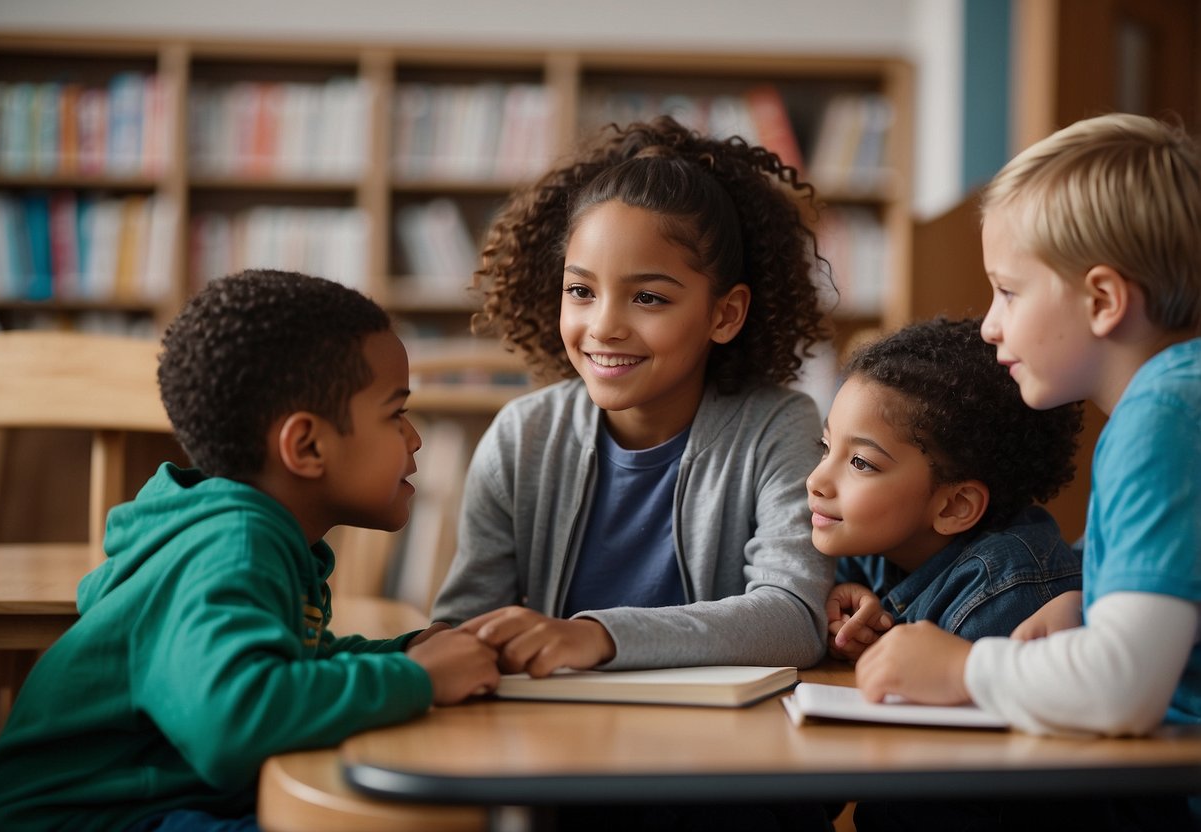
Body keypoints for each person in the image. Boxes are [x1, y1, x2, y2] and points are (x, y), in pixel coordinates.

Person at [0, 269, 500, 832]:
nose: (416, 437)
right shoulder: (231, 544)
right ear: (306, 445)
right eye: (395, 413)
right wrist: (418, 680)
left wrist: (406, 654)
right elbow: (235, 721)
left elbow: (287, 668)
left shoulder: (256, 535)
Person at [855, 113, 1201, 829]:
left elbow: (1121, 691)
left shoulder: (1162, 415)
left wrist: (957, 670)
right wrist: (1086, 596)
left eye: (1007, 292)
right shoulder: (1173, 399)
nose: (988, 325)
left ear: (1102, 300)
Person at [429, 115, 835, 678]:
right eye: (581, 291)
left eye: (647, 297)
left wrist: (597, 636)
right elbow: (463, 625)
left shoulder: (778, 428)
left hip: (715, 742)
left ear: (725, 313)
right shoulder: (523, 435)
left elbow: (794, 619)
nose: (604, 326)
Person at [813, 316, 1083, 663]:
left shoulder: (1002, 593)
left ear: (954, 506)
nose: (815, 481)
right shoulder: (876, 539)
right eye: (825, 445)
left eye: (861, 463)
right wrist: (841, 598)